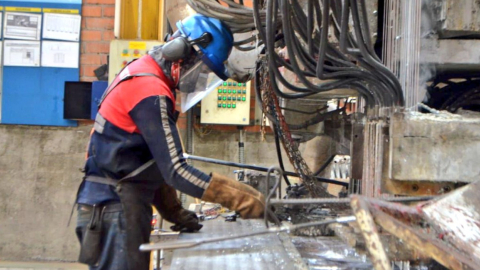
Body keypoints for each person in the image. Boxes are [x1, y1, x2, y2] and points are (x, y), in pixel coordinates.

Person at [74, 14, 266, 270]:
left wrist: (172, 210)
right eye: (202, 69)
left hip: (116, 202)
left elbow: (147, 161)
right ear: (180, 53)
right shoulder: (149, 90)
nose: (199, 79)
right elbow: (176, 170)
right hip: (113, 207)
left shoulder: (145, 75)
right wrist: (245, 200)